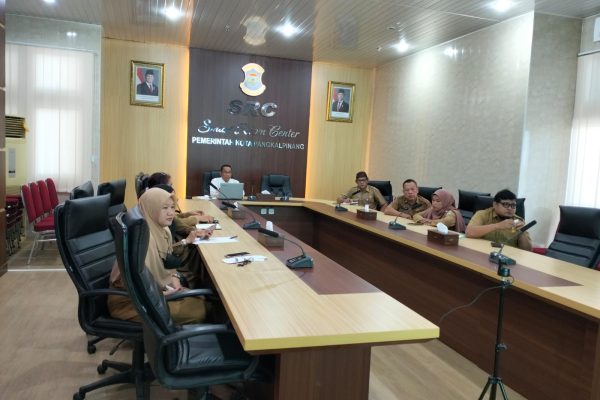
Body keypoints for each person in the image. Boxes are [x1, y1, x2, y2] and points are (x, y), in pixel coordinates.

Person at [108, 188, 213, 324]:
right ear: (151, 209)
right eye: (164, 208)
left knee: (201, 299)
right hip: (130, 303)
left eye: (172, 207)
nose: (171, 213)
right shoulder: (142, 239)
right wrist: (161, 293)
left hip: (152, 293)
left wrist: (174, 276)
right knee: (200, 309)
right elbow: (127, 282)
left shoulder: (161, 230)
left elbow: (164, 261)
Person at [466, 189, 532, 250]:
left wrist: (522, 232)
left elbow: (527, 250)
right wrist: (497, 226)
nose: (510, 208)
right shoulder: (482, 214)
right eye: (505, 204)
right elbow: (469, 232)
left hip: (507, 255)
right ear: (495, 204)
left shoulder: (518, 221)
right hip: (482, 251)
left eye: (513, 205)